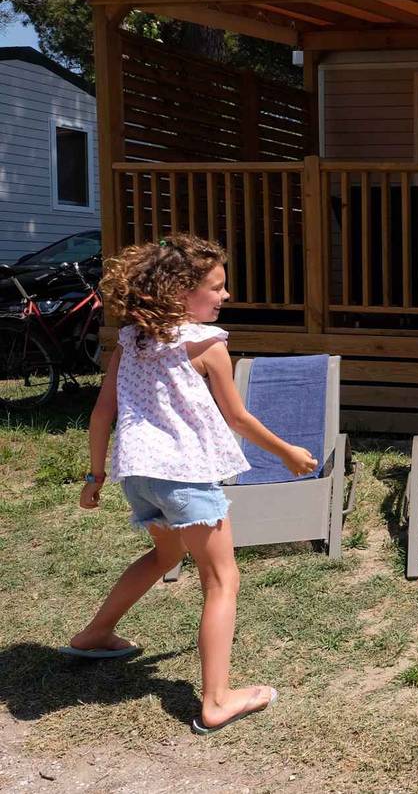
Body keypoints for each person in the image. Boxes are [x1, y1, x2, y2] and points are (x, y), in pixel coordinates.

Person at [64, 234, 317, 734]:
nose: (225, 297)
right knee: (222, 580)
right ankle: (217, 700)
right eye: (217, 288)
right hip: (185, 478)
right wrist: (287, 452)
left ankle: (96, 633)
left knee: (163, 557)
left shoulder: (132, 341)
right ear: (181, 292)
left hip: (139, 476)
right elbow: (238, 419)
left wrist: (95, 476)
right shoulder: (207, 345)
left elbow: (102, 413)